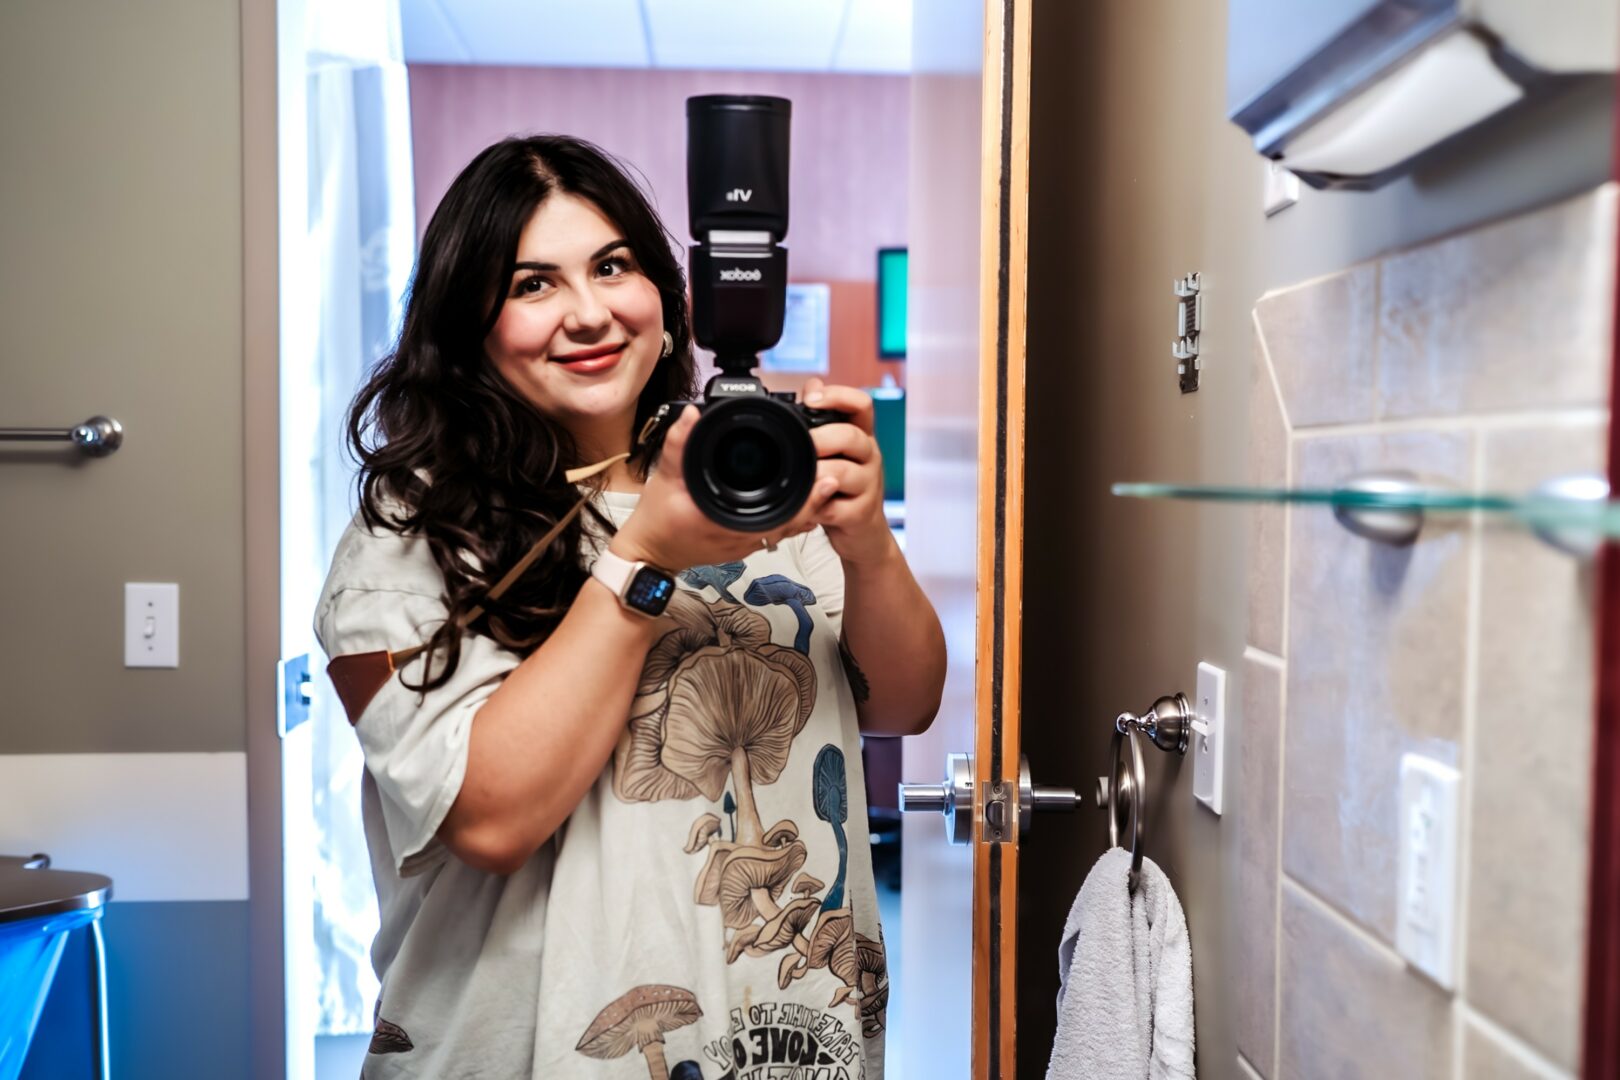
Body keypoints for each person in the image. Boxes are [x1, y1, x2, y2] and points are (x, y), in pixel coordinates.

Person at [314, 134, 946, 1079]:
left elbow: (901, 704)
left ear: (663, 289)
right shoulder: (410, 537)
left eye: (612, 266)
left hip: (782, 1040)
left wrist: (868, 543)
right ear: (467, 319)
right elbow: (490, 820)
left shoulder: (750, 480)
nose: (589, 312)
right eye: (533, 284)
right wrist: (644, 556)